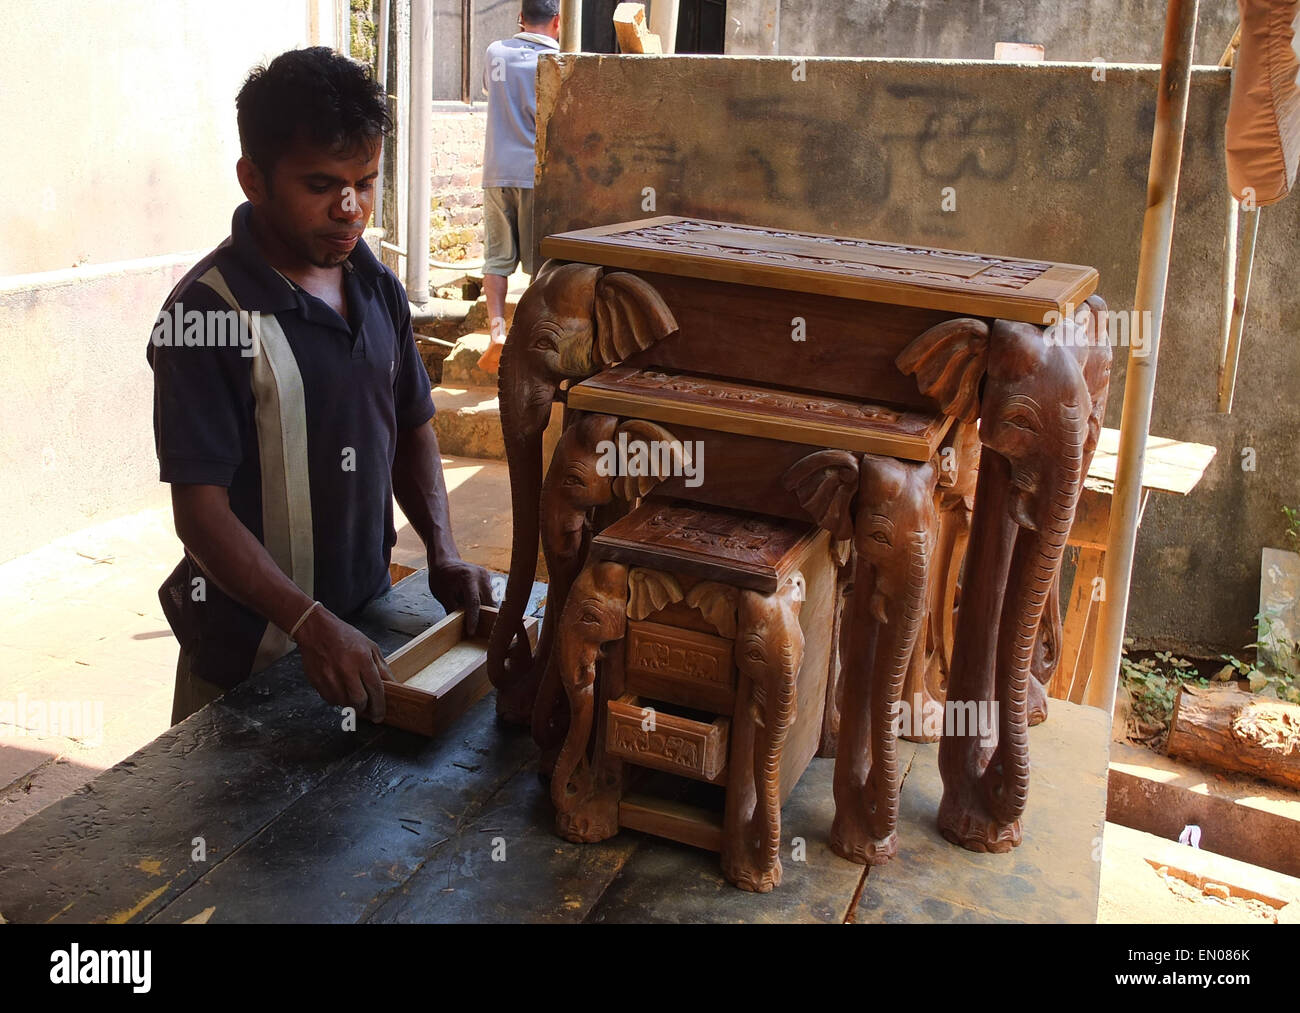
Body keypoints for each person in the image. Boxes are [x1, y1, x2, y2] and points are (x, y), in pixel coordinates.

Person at [149, 47, 494, 726]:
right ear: (254, 178)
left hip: (364, 639)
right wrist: (308, 622)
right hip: (241, 673)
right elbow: (201, 515)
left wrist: (442, 550)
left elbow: (411, 425)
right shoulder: (205, 317)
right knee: (230, 831)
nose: (351, 207)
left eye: (365, 181)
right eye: (320, 184)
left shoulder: (378, 287)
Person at [475, 0, 562, 374]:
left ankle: (496, 332)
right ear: (557, 22)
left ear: (520, 18)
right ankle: (528, 339)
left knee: (496, 261)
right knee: (538, 267)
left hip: (496, 172)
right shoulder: (558, 63)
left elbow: (488, 92)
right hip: (534, 174)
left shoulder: (496, 52)